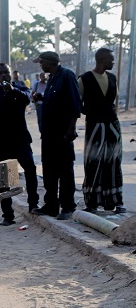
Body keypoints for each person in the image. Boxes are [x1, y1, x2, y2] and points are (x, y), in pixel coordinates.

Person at [0, 63, 39, 225]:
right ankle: (8, 215)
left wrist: (13, 91)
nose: (4, 75)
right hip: (0, 143)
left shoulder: (21, 89)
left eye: (7, 72)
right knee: (3, 179)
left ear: (11, 74)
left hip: (20, 140)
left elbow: (27, 99)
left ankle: (33, 204)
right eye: (1, 73)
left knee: (30, 170)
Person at [31, 51, 82, 220]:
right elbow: (56, 100)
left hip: (62, 133)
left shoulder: (66, 75)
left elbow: (75, 103)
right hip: (48, 134)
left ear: (48, 62)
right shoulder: (52, 78)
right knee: (50, 170)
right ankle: (51, 205)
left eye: (41, 62)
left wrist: (71, 128)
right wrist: (42, 98)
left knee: (65, 170)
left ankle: (68, 206)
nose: (40, 65)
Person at [78, 48, 126, 214]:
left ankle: (114, 201)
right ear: (103, 60)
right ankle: (92, 202)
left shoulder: (112, 78)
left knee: (113, 162)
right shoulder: (84, 79)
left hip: (113, 126)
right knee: (93, 162)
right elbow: (78, 104)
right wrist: (92, 112)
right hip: (95, 126)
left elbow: (112, 102)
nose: (113, 63)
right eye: (111, 60)